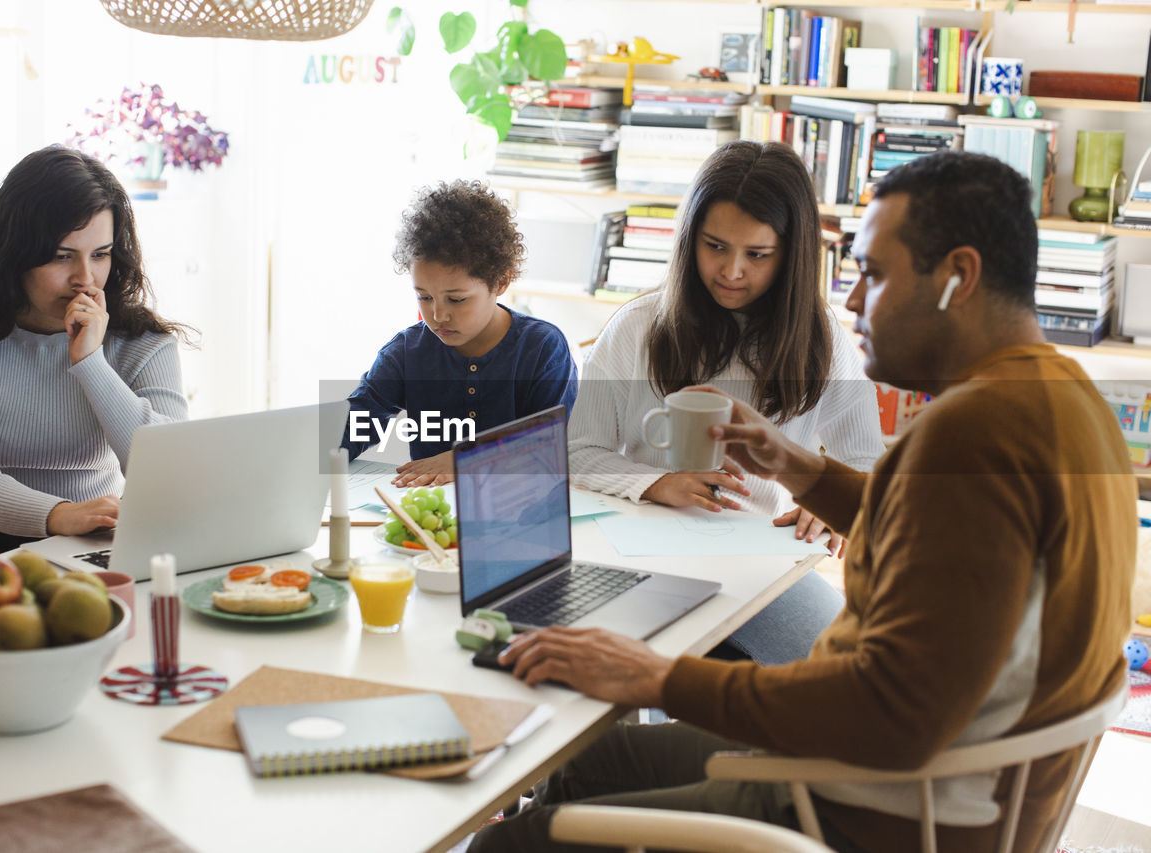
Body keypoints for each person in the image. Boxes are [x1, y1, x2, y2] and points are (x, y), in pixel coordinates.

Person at [471, 150, 1135, 853]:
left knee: (506, 846)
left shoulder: (970, 435)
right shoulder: (1060, 396)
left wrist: (659, 678)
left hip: (863, 812)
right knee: (586, 763)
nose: (851, 301)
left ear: (957, 278)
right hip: (927, 784)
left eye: (874, 275)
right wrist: (801, 468)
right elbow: (925, 525)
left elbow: (893, 712)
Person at [568, 140, 884, 662]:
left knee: (839, 673)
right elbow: (577, 449)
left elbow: (864, 460)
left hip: (760, 563)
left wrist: (827, 508)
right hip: (642, 555)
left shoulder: (823, 338)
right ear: (689, 238)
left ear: (792, 255)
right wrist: (655, 483)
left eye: (757, 255)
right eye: (714, 246)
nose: (731, 271)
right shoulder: (638, 326)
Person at [0, 145, 190, 573]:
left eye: (100, 254)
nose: (85, 278)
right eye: (62, 256)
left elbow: (168, 470)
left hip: (97, 538)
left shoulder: (143, 340)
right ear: (15, 253)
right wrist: (60, 515)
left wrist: (91, 364)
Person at [342, 179, 578, 487]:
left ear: (501, 282)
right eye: (424, 297)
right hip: (431, 516)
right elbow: (354, 425)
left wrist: (467, 459)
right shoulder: (406, 352)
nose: (438, 315)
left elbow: (547, 450)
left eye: (457, 299)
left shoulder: (542, 349)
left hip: (518, 511)